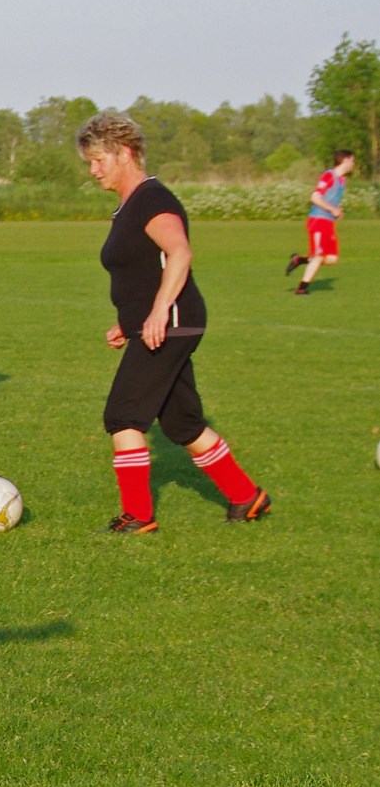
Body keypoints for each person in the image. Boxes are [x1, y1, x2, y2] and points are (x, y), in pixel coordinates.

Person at [79, 111, 271, 532]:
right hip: (159, 323)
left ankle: (139, 515)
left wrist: (160, 310)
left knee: (123, 415)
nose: (92, 170)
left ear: (125, 153)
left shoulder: (152, 198)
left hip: (173, 322)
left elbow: (179, 252)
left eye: (98, 160)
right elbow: (141, 270)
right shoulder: (128, 207)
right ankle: (247, 496)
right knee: (182, 423)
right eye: (89, 162)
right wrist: (128, 321)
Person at [287, 149, 356, 295]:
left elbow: (329, 199)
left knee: (332, 259)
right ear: (345, 160)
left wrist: (336, 210)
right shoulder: (328, 176)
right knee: (319, 255)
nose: (353, 163)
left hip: (328, 222)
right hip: (318, 220)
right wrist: (332, 209)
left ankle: (299, 260)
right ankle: (302, 288)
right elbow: (315, 197)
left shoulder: (342, 180)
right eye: (352, 160)